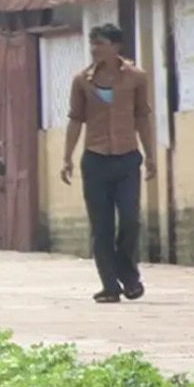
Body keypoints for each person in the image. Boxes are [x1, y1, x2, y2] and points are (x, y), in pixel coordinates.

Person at [61, 23, 156, 304]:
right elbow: (75, 120)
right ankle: (110, 285)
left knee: (130, 220)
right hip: (95, 159)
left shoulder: (136, 78)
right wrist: (66, 157)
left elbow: (142, 117)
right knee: (101, 227)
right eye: (92, 44)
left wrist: (150, 155)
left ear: (116, 46)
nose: (95, 49)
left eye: (100, 43)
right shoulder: (82, 80)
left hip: (127, 158)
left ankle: (128, 275)